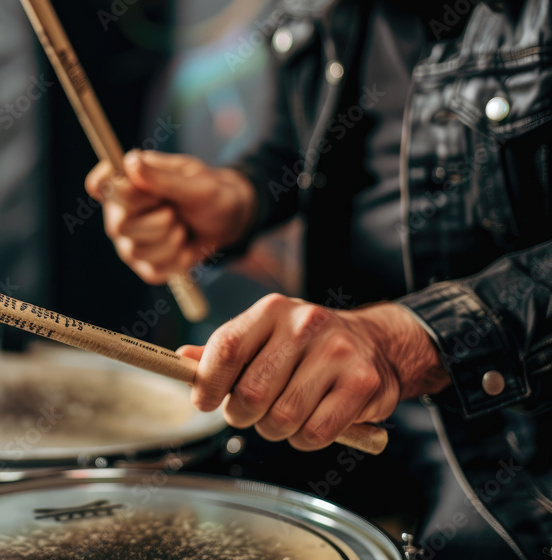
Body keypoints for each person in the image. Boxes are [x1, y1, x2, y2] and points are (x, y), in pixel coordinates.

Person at [86, 0, 550, 558]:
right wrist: (237, 199)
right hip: (338, 407)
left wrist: (406, 339)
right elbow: (295, 143)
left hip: (517, 439)